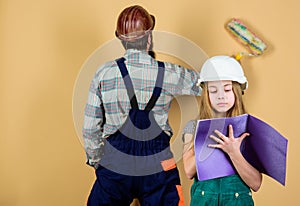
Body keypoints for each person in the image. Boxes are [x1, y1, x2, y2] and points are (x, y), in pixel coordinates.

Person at [82, 5, 201, 206]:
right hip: (158, 166)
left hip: (115, 165)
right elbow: (204, 84)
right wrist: (226, 69)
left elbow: (90, 128)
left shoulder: (104, 73)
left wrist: (98, 162)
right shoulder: (170, 73)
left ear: (120, 39)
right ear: (149, 37)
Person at [182, 55, 262, 206]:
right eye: (213, 91)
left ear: (237, 92)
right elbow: (189, 171)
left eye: (227, 89)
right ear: (206, 94)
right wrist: (210, 134)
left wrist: (233, 152)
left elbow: (256, 183)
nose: (221, 96)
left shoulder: (249, 129)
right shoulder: (192, 127)